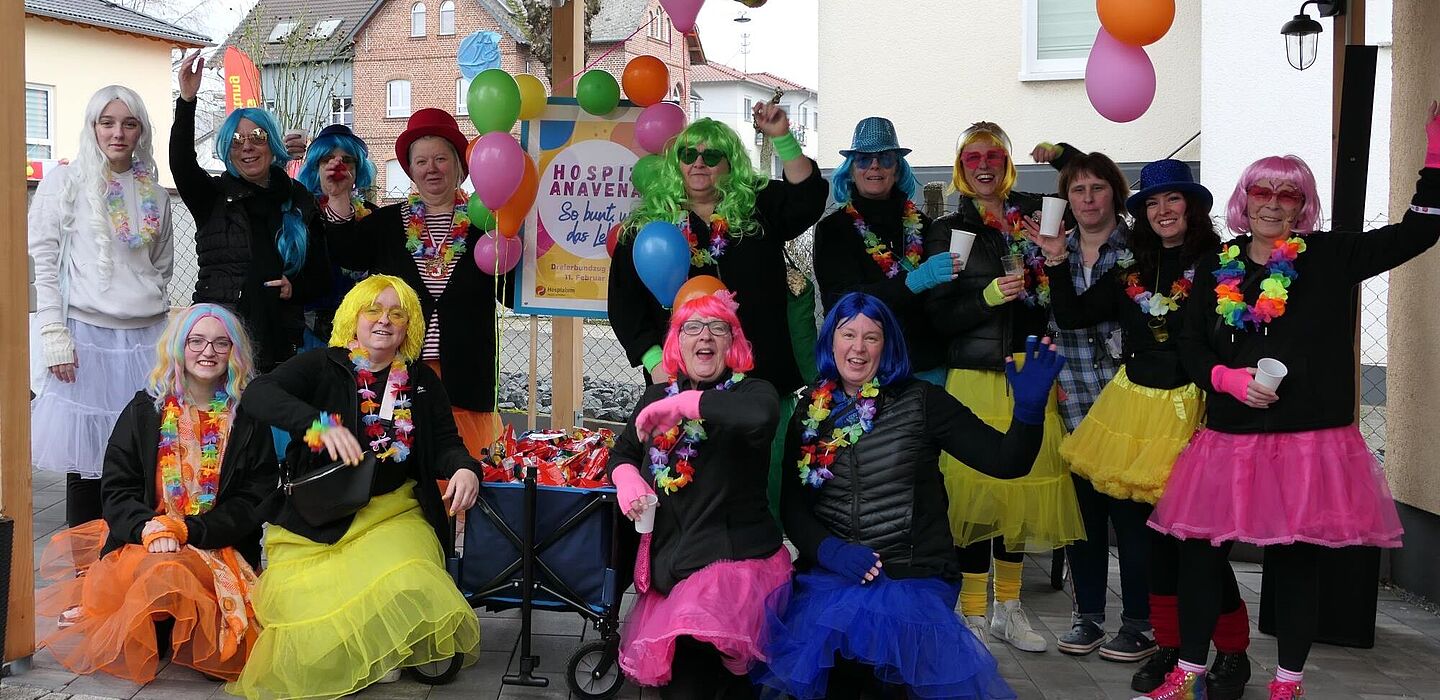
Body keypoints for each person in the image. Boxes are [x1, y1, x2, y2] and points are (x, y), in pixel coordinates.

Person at [1138, 102, 1440, 700]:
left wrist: (1433, 161)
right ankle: (1189, 671)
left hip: (1308, 440)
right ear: (1243, 200)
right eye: (1262, 191)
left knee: (1295, 562)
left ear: (1303, 206)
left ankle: (1288, 681)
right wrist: (1224, 379)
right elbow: (1191, 345)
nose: (1273, 204)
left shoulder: (1330, 257)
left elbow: (1420, 230)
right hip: (1229, 437)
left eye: (1288, 194)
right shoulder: (1215, 265)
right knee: (1199, 554)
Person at [756, 292, 1065, 699]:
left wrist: (1027, 411)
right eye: (848, 334)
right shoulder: (809, 412)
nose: (858, 348)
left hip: (912, 576)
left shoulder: (922, 402)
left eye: (872, 337)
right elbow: (793, 506)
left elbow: (1006, 461)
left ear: (888, 345)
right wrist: (831, 552)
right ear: (831, 341)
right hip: (833, 580)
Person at [1039, 157, 1250, 695]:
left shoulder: (1222, 264)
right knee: (1155, 539)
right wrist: (1058, 262)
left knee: (1197, 541)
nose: (1162, 211)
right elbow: (1074, 315)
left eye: (1173, 199)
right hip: (1136, 412)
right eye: (1153, 202)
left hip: (1198, 411)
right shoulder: (1132, 268)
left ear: (1193, 206)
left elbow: (1241, 335)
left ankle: (1231, 651)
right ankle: (1171, 645)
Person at [232, 275, 482, 699]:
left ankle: (380, 649)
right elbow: (258, 394)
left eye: (396, 313)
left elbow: (445, 444)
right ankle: (370, 652)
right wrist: (317, 426)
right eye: (373, 310)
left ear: (409, 326)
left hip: (393, 510)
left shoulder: (422, 380)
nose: (383, 321)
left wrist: (465, 469)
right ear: (354, 317)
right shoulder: (323, 365)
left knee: (409, 575)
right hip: (320, 514)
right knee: (310, 646)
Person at [36, 304, 276, 683]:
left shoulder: (247, 417)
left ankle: (171, 623)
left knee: (213, 642)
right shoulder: (144, 410)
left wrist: (190, 531)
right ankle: (158, 621)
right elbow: (117, 489)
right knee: (160, 569)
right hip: (145, 543)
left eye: (220, 343)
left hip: (217, 546)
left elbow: (255, 498)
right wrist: (150, 528)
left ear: (235, 353)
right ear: (178, 347)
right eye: (196, 341)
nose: (207, 352)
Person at [608, 107, 828, 515]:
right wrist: (656, 362)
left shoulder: (758, 209)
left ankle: (764, 562)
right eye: (689, 154)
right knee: (688, 486)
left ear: (730, 164)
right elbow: (624, 304)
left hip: (758, 380)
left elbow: (808, 197)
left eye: (711, 157)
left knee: (765, 484)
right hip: (680, 382)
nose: (698, 163)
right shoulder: (648, 226)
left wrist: (781, 136)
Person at [924, 121, 1085, 653]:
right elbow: (936, 319)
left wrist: (1065, 156)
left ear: (1009, 162)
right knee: (974, 497)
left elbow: (1097, 194)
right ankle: (971, 612)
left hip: (1029, 373)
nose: (985, 165)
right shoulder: (946, 229)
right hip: (972, 376)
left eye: (994, 155)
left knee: (1019, 494)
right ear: (960, 168)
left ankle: (1008, 609)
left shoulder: (1037, 214)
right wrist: (986, 299)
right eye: (973, 158)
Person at [606, 287, 790, 698]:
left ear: (733, 343)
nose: (704, 337)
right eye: (692, 327)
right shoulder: (656, 396)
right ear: (677, 342)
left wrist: (690, 404)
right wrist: (626, 477)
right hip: (672, 569)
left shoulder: (752, 392)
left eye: (717, 328)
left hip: (732, 572)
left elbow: (759, 417)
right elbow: (621, 452)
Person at [321, 108, 510, 459]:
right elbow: (345, 250)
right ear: (411, 169)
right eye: (421, 161)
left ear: (460, 167)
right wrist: (337, 195)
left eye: (441, 159)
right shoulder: (388, 223)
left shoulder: (485, 223)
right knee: (404, 464)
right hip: (399, 369)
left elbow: (510, 290)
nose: (431, 168)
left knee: (466, 468)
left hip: (467, 375)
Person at [29, 85, 175, 530]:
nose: (118, 133)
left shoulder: (156, 193)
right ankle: (82, 578)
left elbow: (162, 267)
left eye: (129, 124)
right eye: (107, 122)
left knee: (143, 462)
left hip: (147, 340)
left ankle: (128, 567)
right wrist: (54, 335)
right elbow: (45, 263)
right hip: (85, 340)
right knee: (87, 467)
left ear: (142, 132)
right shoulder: (65, 182)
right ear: (92, 126)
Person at [172, 50, 330, 372]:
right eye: (237, 140)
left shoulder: (297, 198)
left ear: (272, 143)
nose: (247, 146)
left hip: (280, 341)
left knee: (274, 417)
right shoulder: (212, 197)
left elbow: (322, 275)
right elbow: (182, 164)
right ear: (228, 150)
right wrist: (187, 100)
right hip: (219, 338)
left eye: (257, 137)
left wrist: (293, 288)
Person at [812, 117, 957, 385]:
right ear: (851, 170)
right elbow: (841, 301)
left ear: (898, 169)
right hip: (864, 368)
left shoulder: (924, 226)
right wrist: (915, 281)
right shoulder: (833, 230)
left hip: (924, 367)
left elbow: (940, 304)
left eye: (886, 158)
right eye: (864, 159)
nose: (875, 166)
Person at [295, 123, 378, 348]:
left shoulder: (373, 215)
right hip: (310, 331)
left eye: (347, 160)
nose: (337, 165)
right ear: (316, 168)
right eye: (327, 159)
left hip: (363, 330)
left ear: (358, 169)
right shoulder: (300, 213)